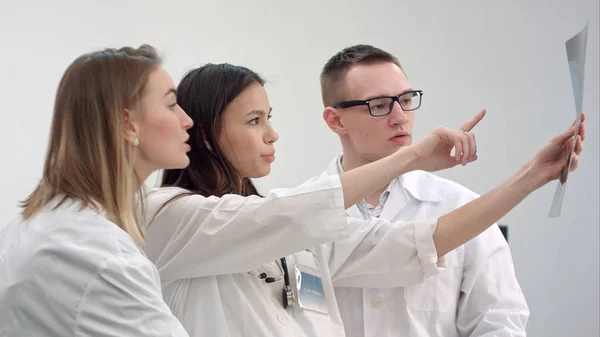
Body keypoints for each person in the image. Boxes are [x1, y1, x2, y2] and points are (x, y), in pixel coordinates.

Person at [141, 63, 584, 337]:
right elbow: (282, 217)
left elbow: (411, 245)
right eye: (254, 121)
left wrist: (532, 176)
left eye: (269, 118)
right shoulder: (167, 214)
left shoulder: (295, 230)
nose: (273, 134)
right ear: (203, 130)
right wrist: (411, 157)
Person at [311, 44, 587, 337]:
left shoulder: (461, 206)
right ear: (335, 120)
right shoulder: (299, 215)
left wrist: (533, 174)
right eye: (378, 106)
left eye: (406, 100)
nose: (400, 117)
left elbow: (500, 322)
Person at [0, 45, 193, 336]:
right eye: (171, 104)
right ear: (128, 124)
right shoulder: (99, 255)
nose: (187, 120)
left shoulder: (36, 224)